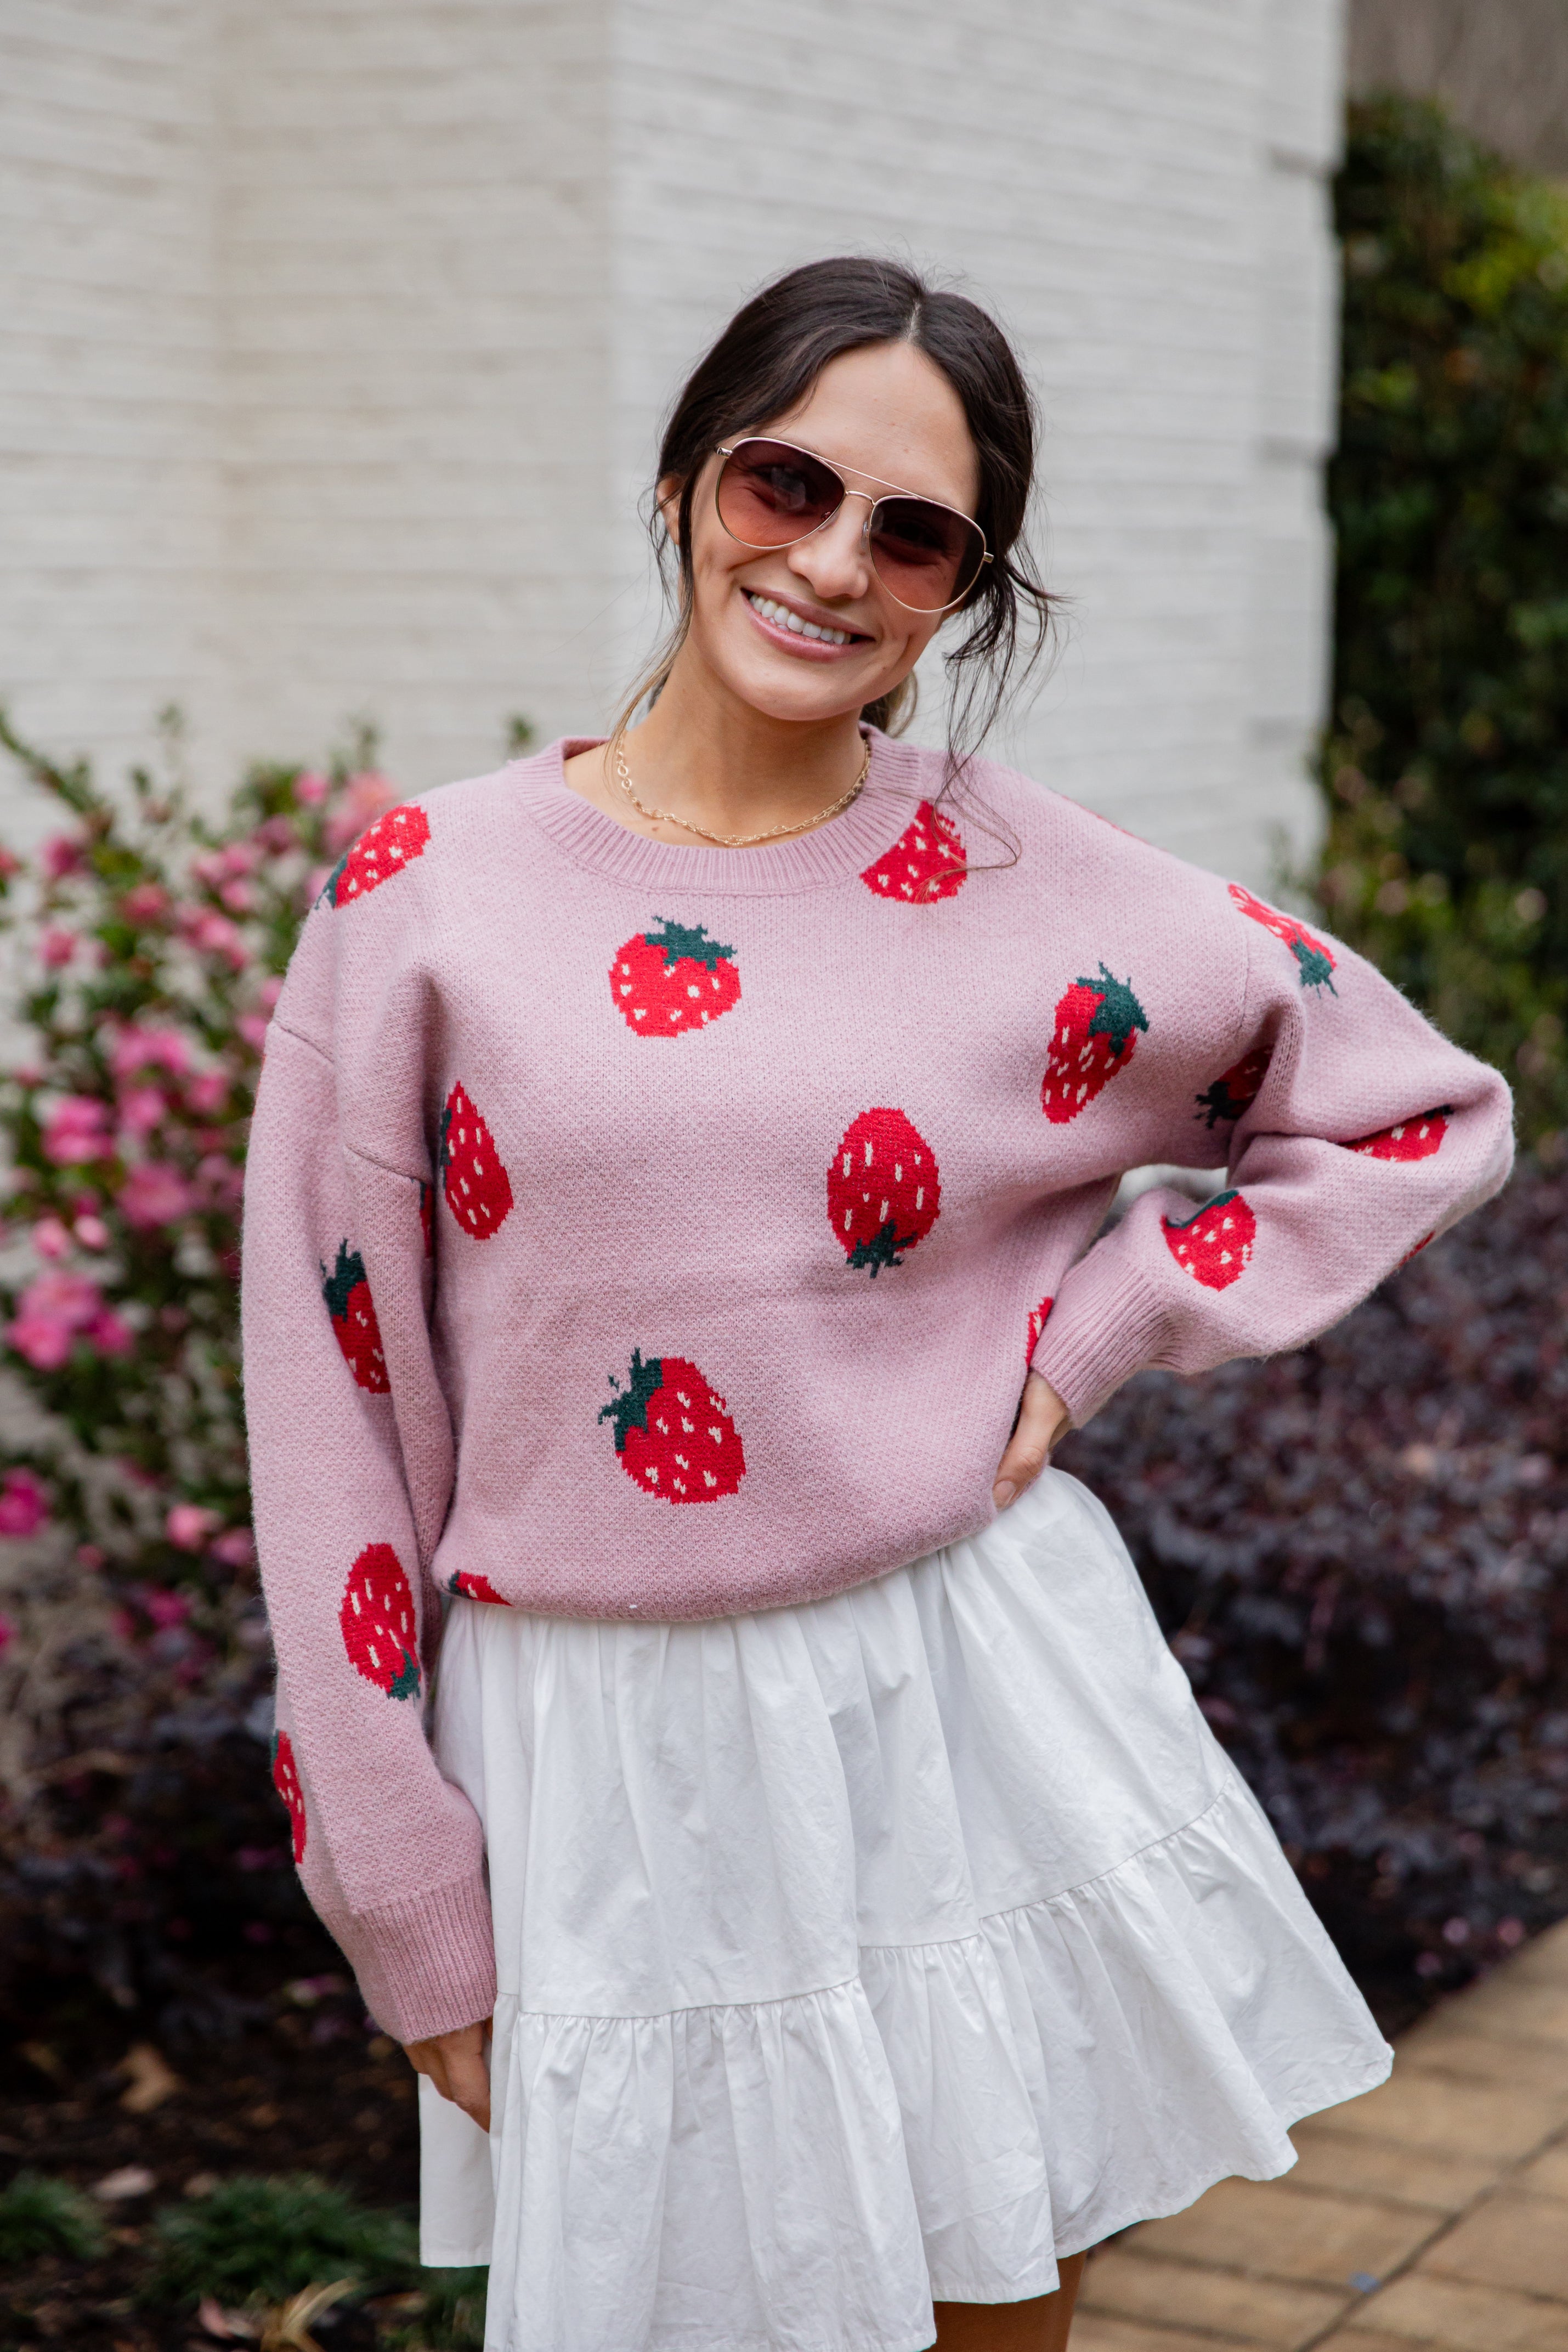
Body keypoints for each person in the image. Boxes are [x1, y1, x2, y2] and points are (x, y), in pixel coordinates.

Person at [242, 257, 1514, 2352]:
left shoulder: (1029, 882)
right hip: (601, 1759)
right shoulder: (425, 897)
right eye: (787, 484)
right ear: (683, 481)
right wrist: (392, 1870)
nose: (832, 563)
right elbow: (328, 1393)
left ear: (960, 594)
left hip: (960, 1696)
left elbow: (1411, 1109)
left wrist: (1103, 1329)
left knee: (995, 2313)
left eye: (913, 534)